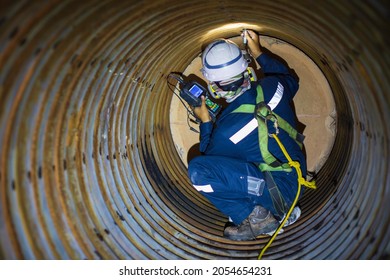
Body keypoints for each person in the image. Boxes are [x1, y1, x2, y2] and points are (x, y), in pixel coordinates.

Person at [187, 30, 308, 241]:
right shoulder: (274, 86)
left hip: (278, 195)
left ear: (214, 87)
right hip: (298, 178)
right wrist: (258, 52)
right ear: (246, 68)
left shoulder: (226, 131)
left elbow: (208, 160)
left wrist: (206, 122)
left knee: (198, 171)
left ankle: (261, 217)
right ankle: (281, 211)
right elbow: (290, 79)